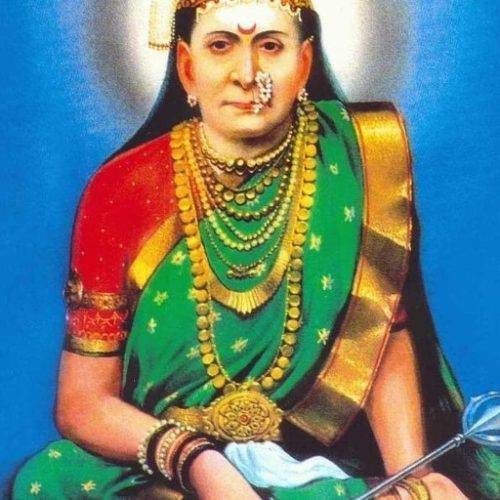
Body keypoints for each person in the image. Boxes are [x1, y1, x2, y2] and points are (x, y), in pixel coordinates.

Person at [12, 1, 499, 498]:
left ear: (303, 65)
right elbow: (82, 403)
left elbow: (378, 337)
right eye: (221, 46)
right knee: (47, 484)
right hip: (163, 463)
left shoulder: (359, 161)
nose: (247, 75)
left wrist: (412, 478)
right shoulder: (120, 190)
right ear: (187, 68)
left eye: (270, 46)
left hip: (315, 463)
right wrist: (196, 461)